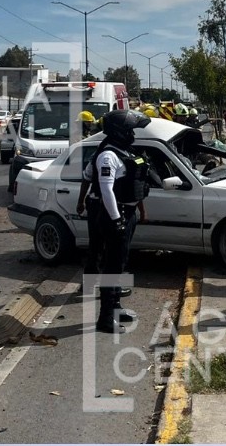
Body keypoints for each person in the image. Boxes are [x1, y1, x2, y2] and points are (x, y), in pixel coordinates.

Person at [80, 109, 152, 333]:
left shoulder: (124, 151)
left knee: (121, 264)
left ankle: (117, 307)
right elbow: (107, 190)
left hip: (126, 214)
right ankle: (105, 318)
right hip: (114, 215)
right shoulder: (107, 156)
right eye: (129, 130)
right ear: (119, 132)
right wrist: (117, 219)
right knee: (111, 266)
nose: (132, 134)